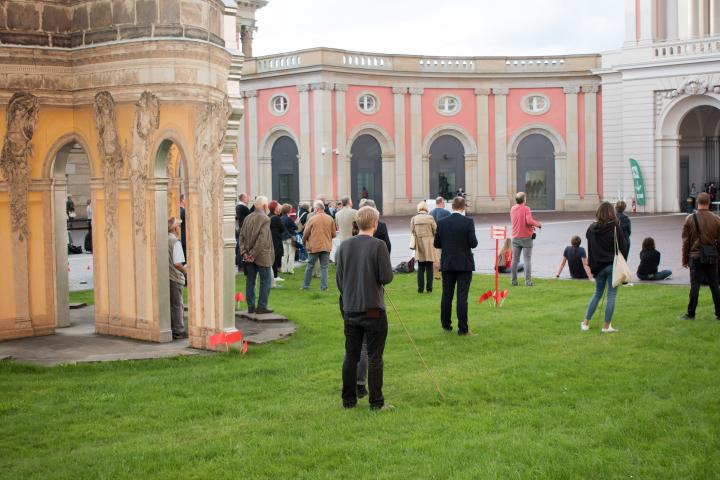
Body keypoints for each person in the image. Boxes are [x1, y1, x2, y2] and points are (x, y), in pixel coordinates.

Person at [336, 206, 394, 410]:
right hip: (372, 309)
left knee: (351, 355)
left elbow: (340, 281)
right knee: (374, 356)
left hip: (351, 307)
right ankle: (376, 402)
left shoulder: (344, 246)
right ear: (375, 224)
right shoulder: (378, 246)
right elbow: (386, 277)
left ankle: (348, 400)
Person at [433, 196, 478, 335]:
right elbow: (473, 243)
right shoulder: (468, 222)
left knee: (447, 295)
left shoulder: (442, 222)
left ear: (452, 206)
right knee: (462, 297)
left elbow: (437, 243)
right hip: (464, 263)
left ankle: (446, 324)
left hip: (448, 262)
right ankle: (463, 328)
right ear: (463, 207)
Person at [581, 202, 629, 333]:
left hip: (598, 266)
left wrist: (592, 266)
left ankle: (586, 323)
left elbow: (590, 247)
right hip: (612, 265)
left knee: (597, 293)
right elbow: (623, 248)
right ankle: (606, 326)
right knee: (611, 295)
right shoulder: (615, 228)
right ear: (611, 213)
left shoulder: (591, 229)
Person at [680, 192, 720, 320]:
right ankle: (718, 313)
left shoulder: (690, 219)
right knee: (714, 285)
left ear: (697, 202)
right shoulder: (716, 219)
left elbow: (686, 242)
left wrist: (684, 259)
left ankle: (691, 313)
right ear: (709, 202)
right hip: (712, 256)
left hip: (695, 256)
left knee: (695, 285)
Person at [239, 196, 274, 314]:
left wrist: (244, 253)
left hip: (249, 255)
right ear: (264, 206)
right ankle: (262, 306)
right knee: (265, 281)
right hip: (261, 256)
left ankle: (251, 306)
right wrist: (252, 254)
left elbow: (241, 236)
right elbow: (262, 239)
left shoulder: (248, 217)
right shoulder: (265, 219)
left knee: (250, 281)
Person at [510, 192, 542, 286]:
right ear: (524, 199)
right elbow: (528, 221)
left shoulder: (512, 208)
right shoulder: (526, 208)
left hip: (515, 236)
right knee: (527, 259)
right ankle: (528, 281)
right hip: (526, 237)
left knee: (515, 260)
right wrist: (538, 224)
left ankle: (514, 281)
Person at [302, 200, 336, 291]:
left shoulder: (312, 219)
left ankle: (305, 286)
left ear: (317, 209)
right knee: (324, 267)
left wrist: (303, 242)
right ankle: (324, 287)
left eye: (314, 208)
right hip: (326, 246)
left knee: (310, 266)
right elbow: (334, 234)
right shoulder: (330, 218)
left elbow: (305, 233)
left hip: (314, 246)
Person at [410, 201, 438, 293]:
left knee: (421, 268)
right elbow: (435, 230)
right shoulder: (430, 218)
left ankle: (420, 289)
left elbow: (412, 231)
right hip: (429, 244)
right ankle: (429, 289)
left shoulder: (414, 218)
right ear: (426, 208)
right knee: (429, 267)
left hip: (419, 244)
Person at [168, 217, 188, 339]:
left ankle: (172, 327)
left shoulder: (164, 239)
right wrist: (186, 272)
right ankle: (178, 330)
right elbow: (178, 263)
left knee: (170, 304)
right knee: (177, 304)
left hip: (166, 276)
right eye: (179, 226)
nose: (180, 228)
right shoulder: (175, 242)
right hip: (174, 276)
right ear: (175, 228)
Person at [430, 197, 451, 280]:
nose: (445, 204)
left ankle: (436, 274)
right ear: (441, 203)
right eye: (444, 202)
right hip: (444, 238)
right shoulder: (447, 212)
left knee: (435, 257)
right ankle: (444, 272)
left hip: (434, 237)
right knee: (444, 256)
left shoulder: (430, 213)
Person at [268, 200, 286, 288]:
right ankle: (274, 276)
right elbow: (282, 229)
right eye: (279, 207)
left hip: (271, 240)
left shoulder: (269, 216)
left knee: (273, 258)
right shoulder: (275, 218)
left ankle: (274, 275)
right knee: (275, 258)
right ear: (275, 209)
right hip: (275, 240)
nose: (280, 209)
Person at [280, 204, 297, 274]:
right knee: (291, 254)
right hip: (290, 237)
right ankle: (290, 269)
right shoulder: (288, 218)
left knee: (284, 255)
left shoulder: (280, 218)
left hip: (283, 238)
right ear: (288, 210)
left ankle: (283, 269)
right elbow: (295, 227)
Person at [235, 193, 251, 271]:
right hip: (244, 229)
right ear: (243, 198)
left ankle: (240, 266)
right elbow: (250, 215)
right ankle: (241, 266)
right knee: (242, 247)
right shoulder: (242, 207)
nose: (248, 199)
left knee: (240, 247)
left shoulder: (238, 206)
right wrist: (255, 206)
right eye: (247, 197)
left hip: (240, 229)